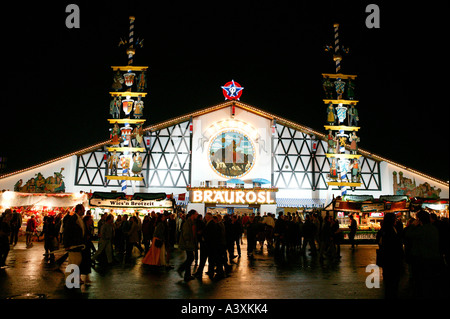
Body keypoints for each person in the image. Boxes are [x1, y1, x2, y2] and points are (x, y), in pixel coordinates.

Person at [404, 210, 442, 298]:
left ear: (419, 219)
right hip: (433, 259)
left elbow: (408, 234)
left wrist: (412, 225)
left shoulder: (422, 230)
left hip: (422, 259)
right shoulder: (433, 228)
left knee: (421, 283)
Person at [377, 212, 404, 299]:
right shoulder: (389, 230)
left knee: (389, 278)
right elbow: (393, 244)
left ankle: (390, 293)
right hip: (391, 258)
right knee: (392, 279)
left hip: (388, 257)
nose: (396, 220)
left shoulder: (385, 229)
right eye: (395, 219)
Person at [177, 210, 198, 282]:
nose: (197, 215)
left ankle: (187, 274)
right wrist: (188, 241)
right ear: (192, 215)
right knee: (191, 258)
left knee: (190, 258)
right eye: (196, 214)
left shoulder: (192, 222)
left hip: (190, 243)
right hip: (188, 243)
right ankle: (182, 270)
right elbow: (186, 234)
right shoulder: (187, 223)